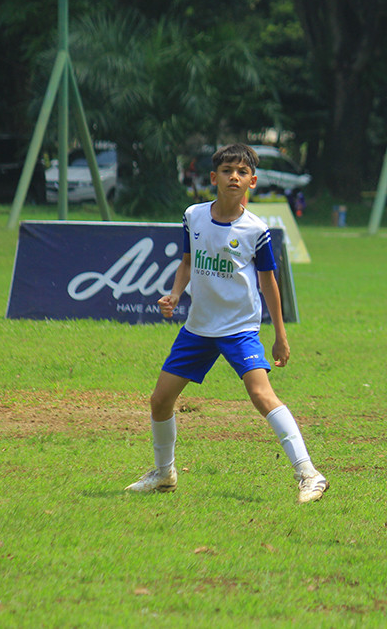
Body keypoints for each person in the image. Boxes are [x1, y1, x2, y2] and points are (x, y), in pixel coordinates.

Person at [125, 144, 328, 503]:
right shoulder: (193, 216)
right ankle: (163, 473)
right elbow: (187, 262)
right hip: (198, 328)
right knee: (160, 400)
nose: (233, 176)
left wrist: (280, 336)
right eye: (226, 170)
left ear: (252, 181)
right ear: (213, 178)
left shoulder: (256, 230)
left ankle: (309, 474)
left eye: (241, 171)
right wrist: (174, 293)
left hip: (240, 330)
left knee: (261, 395)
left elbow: (268, 282)